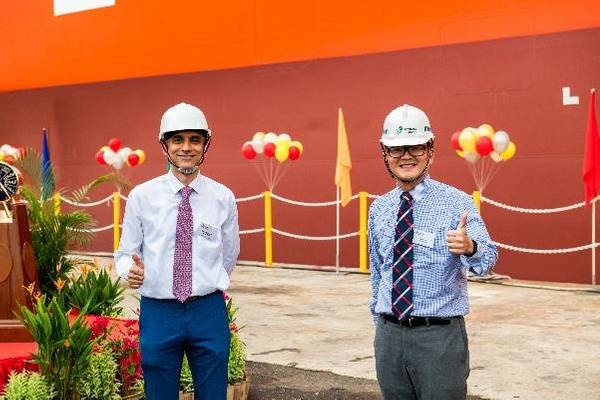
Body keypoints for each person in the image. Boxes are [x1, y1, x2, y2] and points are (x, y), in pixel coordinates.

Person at [368, 104, 498, 400]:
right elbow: (378, 273)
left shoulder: (457, 202)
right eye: (396, 149)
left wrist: (470, 247)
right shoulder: (379, 209)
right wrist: (382, 326)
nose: (406, 156)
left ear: (430, 150)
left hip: (438, 339)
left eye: (415, 147)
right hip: (389, 337)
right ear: (384, 154)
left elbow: (488, 259)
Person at [115, 102, 240, 400]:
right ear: (165, 145)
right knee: (159, 394)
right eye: (177, 140)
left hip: (208, 311)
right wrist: (128, 272)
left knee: (213, 393)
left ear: (205, 144)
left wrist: (206, 281)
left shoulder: (222, 197)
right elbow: (124, 253)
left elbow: (229, 254)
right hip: (160, 312)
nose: (186, 148)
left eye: (194, 139)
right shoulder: (142, 197)